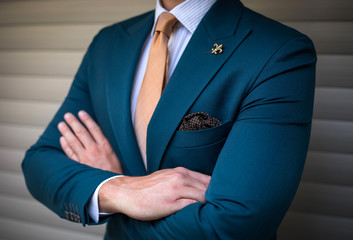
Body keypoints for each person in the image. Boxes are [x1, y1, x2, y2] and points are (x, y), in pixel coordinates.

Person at [22, 0, 317, 239]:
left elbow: (235, 224)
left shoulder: (277, 51)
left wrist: (113, 205)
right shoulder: (109, 43)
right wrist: (119, 189)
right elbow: (40, 163)